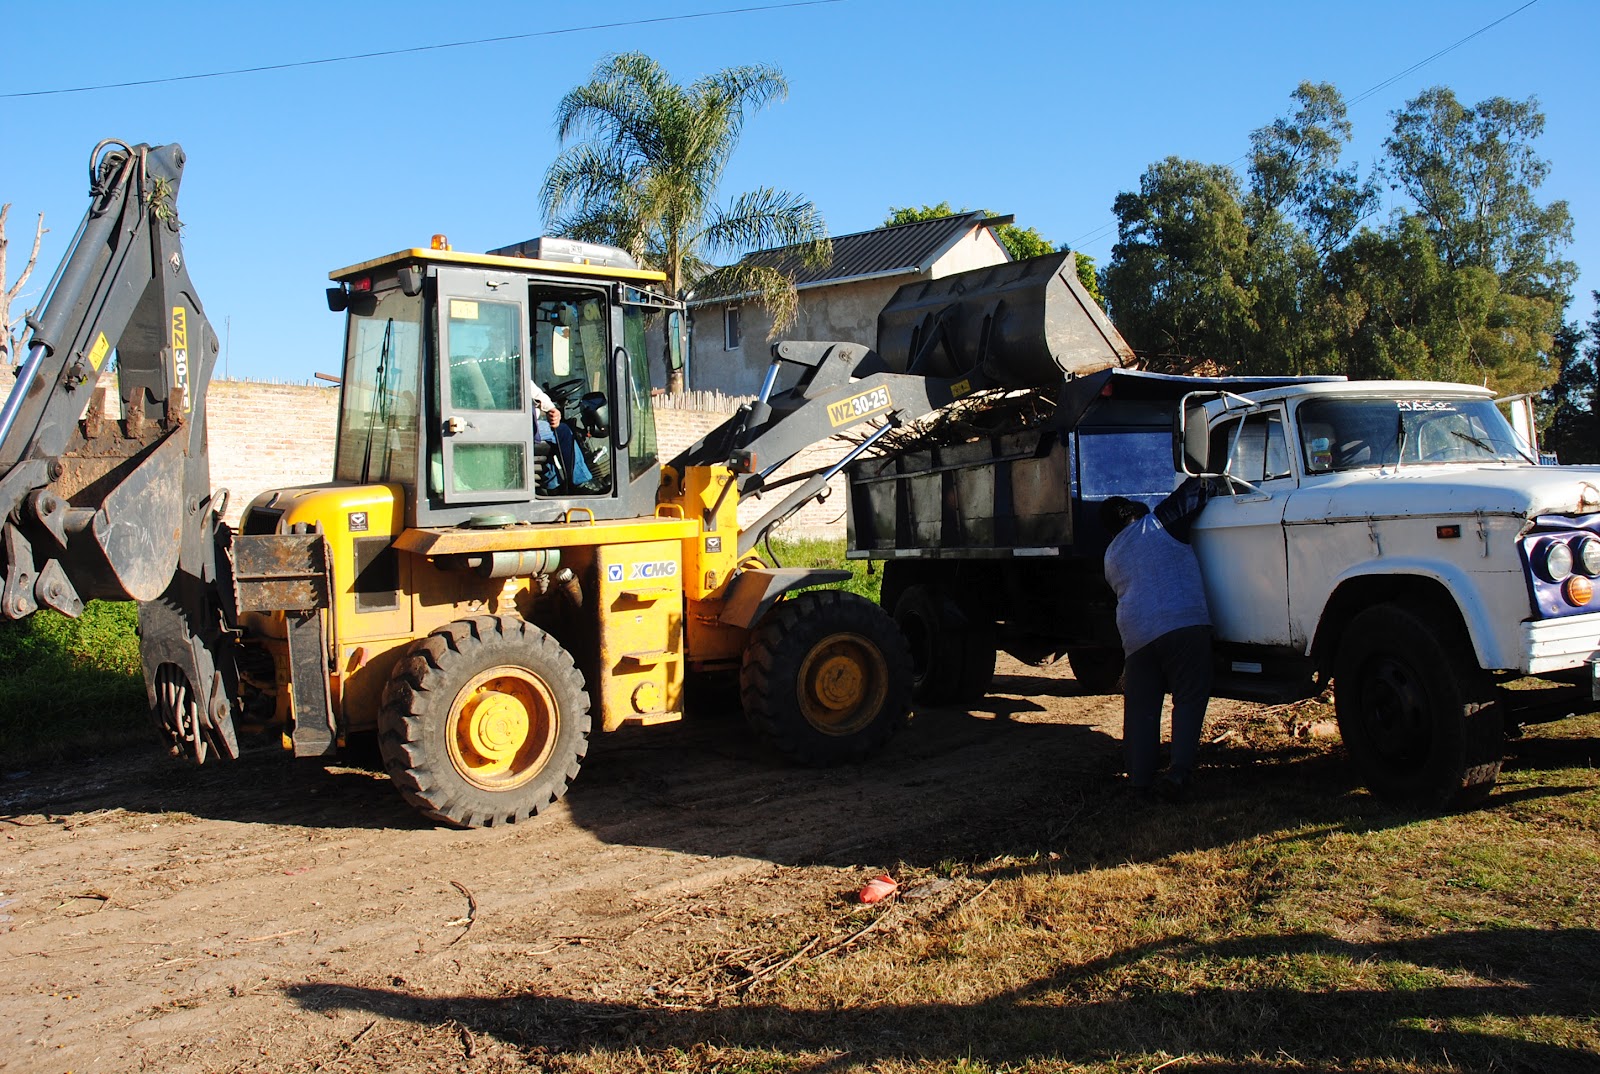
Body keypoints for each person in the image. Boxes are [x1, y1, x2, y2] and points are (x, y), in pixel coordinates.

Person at [1099, 477, 1222, 800]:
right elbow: (1199, 487)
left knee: (1141, 710)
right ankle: (1179, 773)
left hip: (1136, 637)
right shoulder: (1157, 525)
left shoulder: (1110, 556)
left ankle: (1139, 783)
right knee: (1188, 698)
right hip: (1181, 624)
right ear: (1132, 514)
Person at [531, 382, 594, 490]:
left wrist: (552, 409)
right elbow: (532, 390)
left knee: (552, 439)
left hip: (515, 423)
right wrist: (551, 408)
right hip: (520, 425)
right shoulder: (513, 371)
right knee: (563, 431)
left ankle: (553, 486)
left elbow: (535, 393)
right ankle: (581, 482)